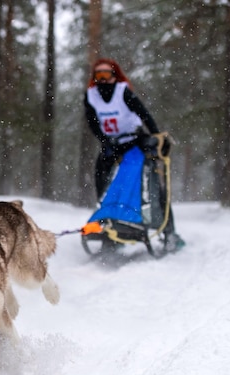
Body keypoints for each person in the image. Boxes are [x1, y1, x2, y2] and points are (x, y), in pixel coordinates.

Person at [84, 57, 184, 252]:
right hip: (111, 144)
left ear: (115, 76)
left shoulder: (123, 92)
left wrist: (157, 137)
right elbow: (93, 122)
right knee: (102, 182)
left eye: (107, 74)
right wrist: (105, 141)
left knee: (150, 183)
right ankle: (110, 228)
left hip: (134, 141)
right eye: (99, 75)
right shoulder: (91, 96)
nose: (103, 79)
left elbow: (145, 114)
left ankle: (169, 231)